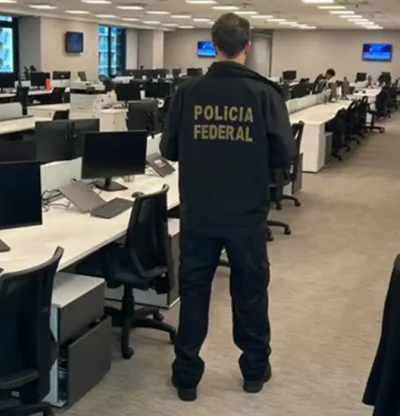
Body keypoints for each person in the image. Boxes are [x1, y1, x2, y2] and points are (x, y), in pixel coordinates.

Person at [160, 12, 296, 402]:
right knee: (250, 293)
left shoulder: (187, 92)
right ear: (247, 47)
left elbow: (169, 149)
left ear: (213, 45)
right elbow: (285, 154)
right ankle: (254, 371)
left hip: (199, 213)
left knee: (194, 293)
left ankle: (187, 377)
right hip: (246, 215)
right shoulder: (265, 94)